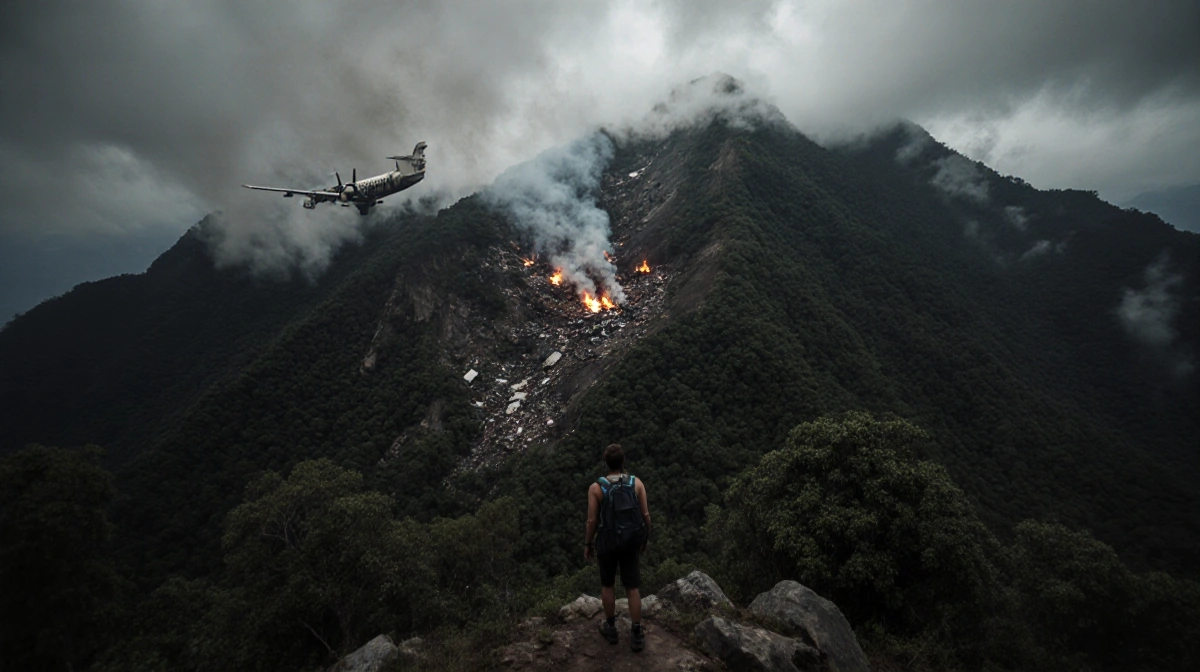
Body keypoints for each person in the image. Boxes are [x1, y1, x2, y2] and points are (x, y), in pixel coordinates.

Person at [584, 443, 651, 652]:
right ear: (623, 462)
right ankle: (637, 632)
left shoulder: (597, 488)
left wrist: (588, 543)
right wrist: (645, 538)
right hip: (631, 540)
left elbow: (592, 521)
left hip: (608, 542)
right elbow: (645, 515)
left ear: (606, 463)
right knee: (632, 587)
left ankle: (611, 628)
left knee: (608, 585)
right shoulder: (636, 483)